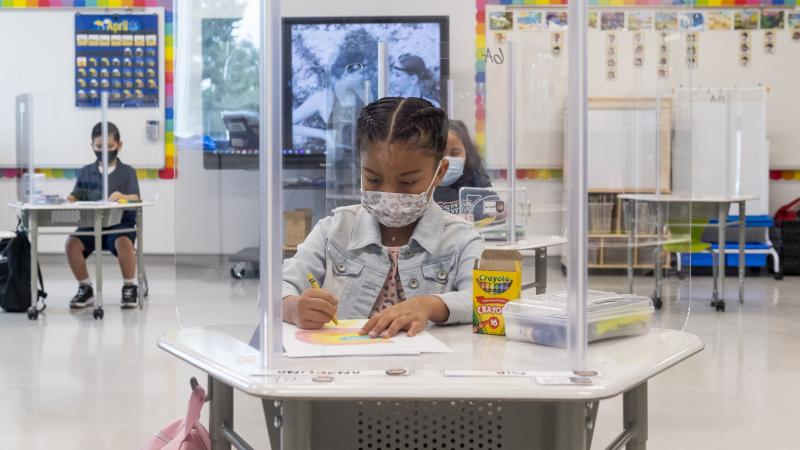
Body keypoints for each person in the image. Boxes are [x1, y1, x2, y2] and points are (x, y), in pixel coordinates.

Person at [281, 97, 484, 338]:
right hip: (349, 369)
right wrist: (293, 307)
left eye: (407, 182)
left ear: (439, 172)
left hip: (425, 371)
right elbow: (276, 289)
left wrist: (429, 305)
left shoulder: (461, 240)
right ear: (361, 167)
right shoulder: (333, 232)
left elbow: (483, 300)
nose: (389, 192)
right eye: (373, 179)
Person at [66, 122, 141, 310]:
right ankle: (85, 288)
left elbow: (136, 197)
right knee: (71, 244)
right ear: (92, 146)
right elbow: (76, 194)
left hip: (120, 224)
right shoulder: (85, 171)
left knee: (124, 243)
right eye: (99, 147)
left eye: (110, 147)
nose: (104, 151)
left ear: (119, 146)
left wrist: (123, 197)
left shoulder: (128, 172)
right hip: (91, 224)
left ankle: (130, 286)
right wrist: (69, 199)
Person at [433, 120, 492, 216]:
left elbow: (496, 215)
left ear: (467, 155)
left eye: (455, 154)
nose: (446, 160)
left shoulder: (480, 186)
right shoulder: (422, 188)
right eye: (440, 154)